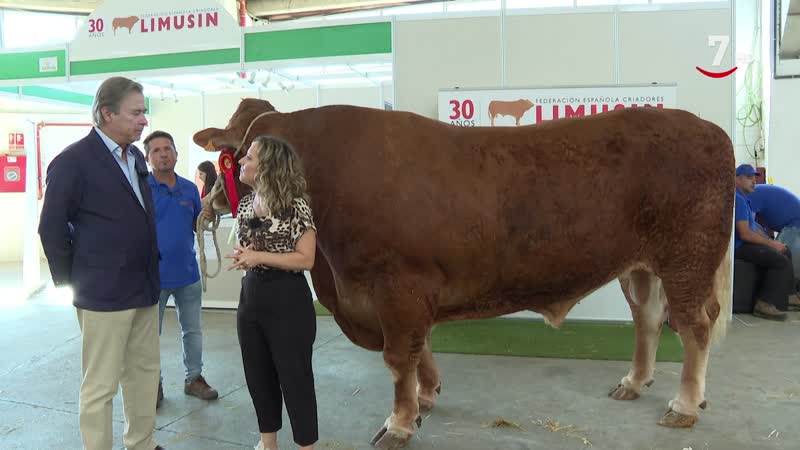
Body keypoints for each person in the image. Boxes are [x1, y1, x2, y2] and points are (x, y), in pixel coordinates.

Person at [38, 76, 165, 450]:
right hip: (102, 294)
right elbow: (50, 228)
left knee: (144, 375)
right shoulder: (73, 162)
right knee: (101, 384)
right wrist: (70, 282)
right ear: (107, 113)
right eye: (136, 112)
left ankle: (141, 443)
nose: (144, 120)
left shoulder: (137, 157)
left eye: (145, 112)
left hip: (144, 287)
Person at [205, 135, 318, 450]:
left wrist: (259, 257)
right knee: (258, 375)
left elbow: (306, 258)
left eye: (249, 157)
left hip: (288, 299)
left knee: (295, 378)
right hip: (251, 296)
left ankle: (306, 446)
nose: (241, 161)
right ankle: (268, 443)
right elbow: (252, 247)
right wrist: (247, 255)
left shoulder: (296, 206)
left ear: (267, 166)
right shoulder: (243, 205)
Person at [143, 131, 219, 408]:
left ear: (176, 153)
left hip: (187, 273)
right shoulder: (141, 189)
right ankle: (153, 383)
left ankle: (194, 379)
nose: (163, 154)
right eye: (157, 150)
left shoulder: (189, 189)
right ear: (148, 158)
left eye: (168, 148)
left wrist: (206, 216)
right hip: (152, 277)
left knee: (193, 330)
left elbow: (196, 225)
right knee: (150, 334)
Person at [733, 164, 794, 320]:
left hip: (746, 243)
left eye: (754, 178)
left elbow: (755, 228)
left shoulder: (744, 200)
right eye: (748, 177)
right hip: (739, 247)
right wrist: (772, 245)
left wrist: (772, 242)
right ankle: (764, 304)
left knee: (785, 251)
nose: (753, 181)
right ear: (737, 180)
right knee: (780, 261)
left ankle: (789, 295)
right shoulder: (737, 200)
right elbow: (745, 234)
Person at [746, 183, 800, 308]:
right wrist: (769, 240)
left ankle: (787, 296)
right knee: (781, 253)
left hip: (795, 224)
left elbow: (749, 225)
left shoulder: (749, 196)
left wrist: (768, 242)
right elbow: (764, 226)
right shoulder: (761, 192)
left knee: (783, 255)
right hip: (793, 222)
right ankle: (790, 295)